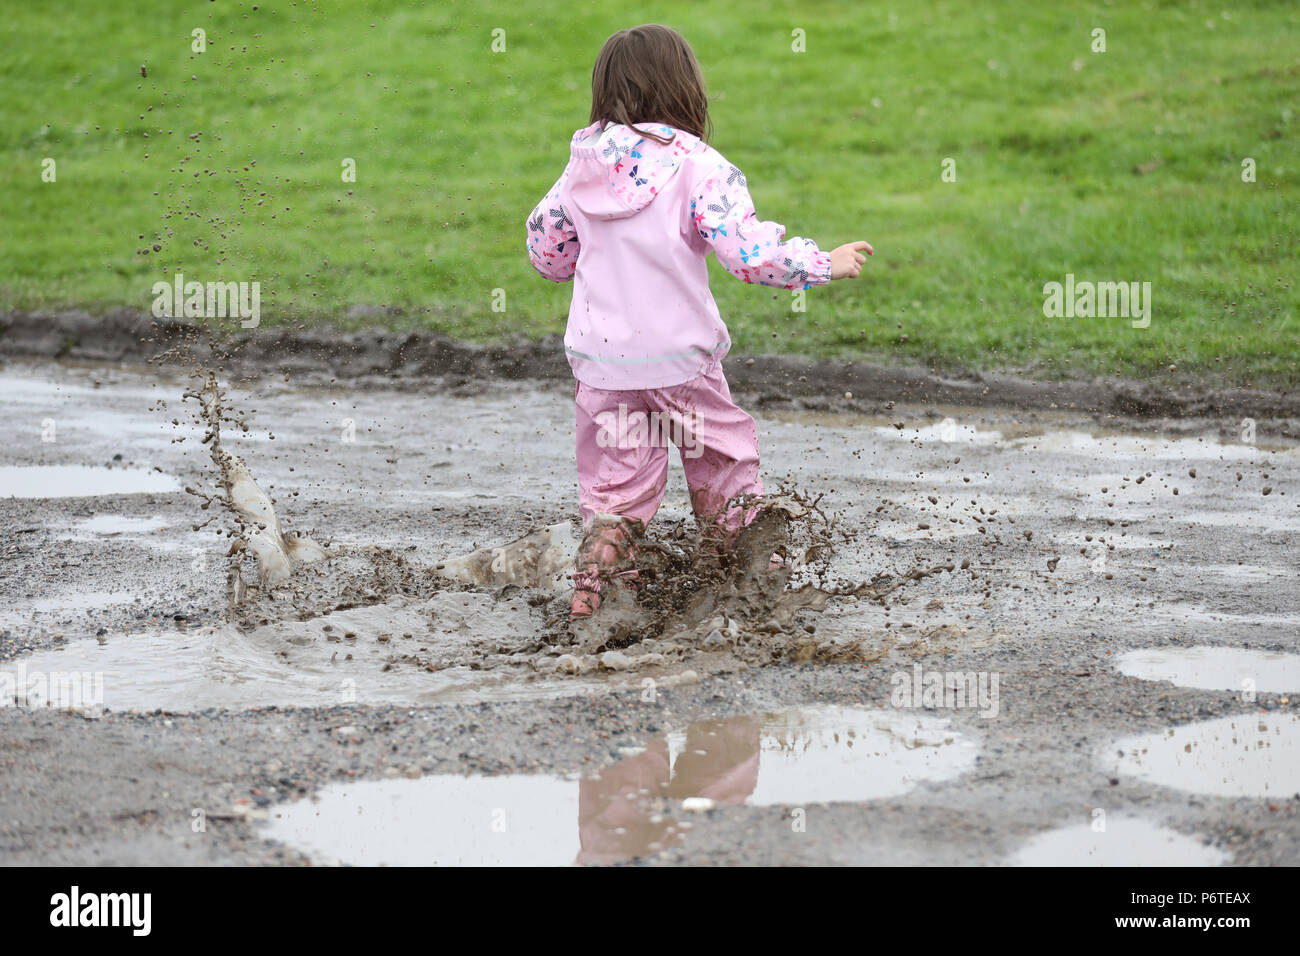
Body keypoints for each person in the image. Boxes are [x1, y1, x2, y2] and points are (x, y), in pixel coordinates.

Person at [526, 23, 872, 620]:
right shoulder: (698, 165)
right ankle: (738, 579)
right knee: (724, 464)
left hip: (604, 368)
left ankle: (598, 601)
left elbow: (546, 253)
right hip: (681, 362)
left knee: (615, 498)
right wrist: (822, 263)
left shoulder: (579, 168)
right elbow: (747, 254)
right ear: (686, 88)